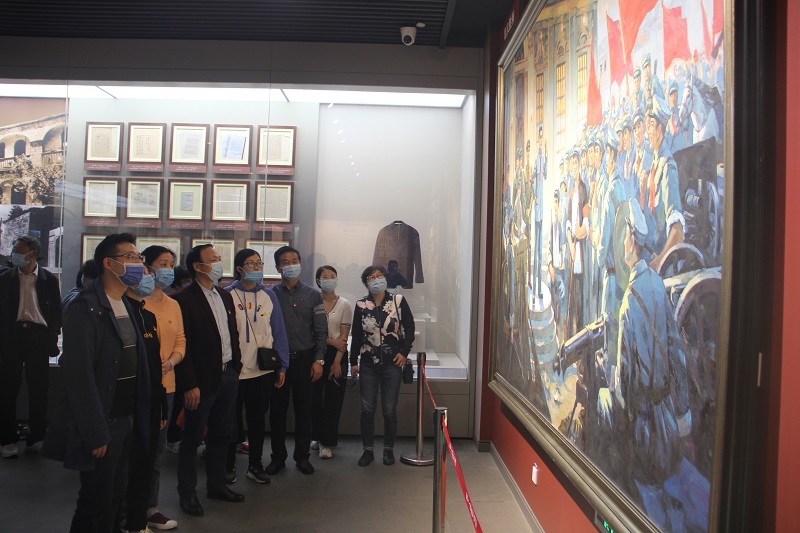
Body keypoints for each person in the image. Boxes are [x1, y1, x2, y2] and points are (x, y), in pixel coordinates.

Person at [41, 233, 151, 533]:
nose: (138, 264)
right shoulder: (85, 307)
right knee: (95, 501)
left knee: (116, 495)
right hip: (105, 419)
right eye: (130, 257)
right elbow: (80, 376)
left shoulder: (126, 303)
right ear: (108, 263)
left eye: (138, 257)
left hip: (127, 417)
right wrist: (95, 431)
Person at [614, 199, 693, 530]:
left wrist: (623, 409)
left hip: (646, 428)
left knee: (648, 502)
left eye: (624, 237)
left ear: (632, 240)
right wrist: (682, 410)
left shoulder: (629, 303)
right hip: (668, 423)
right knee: (672, 492)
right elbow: (676, 353)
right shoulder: (659, 286)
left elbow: (624, 380)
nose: (622, 243)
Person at [172, 244, 244, 517]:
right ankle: (187, 494)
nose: (218, 262)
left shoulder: (224, 295)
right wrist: (189, 384)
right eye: (213, 259)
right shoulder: (184, 299)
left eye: (218, 258)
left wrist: (236, 366)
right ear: (197, 266)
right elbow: (184, 345)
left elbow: (231, 333)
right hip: (200, 382)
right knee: (192, 438)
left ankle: (216, 485)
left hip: (228, 374)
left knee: (221, 434)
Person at [224, 248, 289, 485]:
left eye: (259, 263)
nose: (256, 268)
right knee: (230, 421)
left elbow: (278, 332)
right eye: (250, 264)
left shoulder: (268, 296)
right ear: (239, 268)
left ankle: (255, 464)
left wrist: (282, 366)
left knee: (257, 419)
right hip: (234, 370)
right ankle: (228, 464)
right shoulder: (227, 295)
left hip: (262, 369)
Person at [0, 236, 62, 458]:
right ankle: (7, 440)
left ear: (33, 253)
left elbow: (56, 311)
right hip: (11, 335)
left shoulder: (48, 279)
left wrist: (52, 334)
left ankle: (36, 438)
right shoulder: (5, 278)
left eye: (20, 250)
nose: (15, 254)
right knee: (8, 388)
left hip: (37, 335)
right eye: (15, 250)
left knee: (39, 388)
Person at [268, 246, 327, 476]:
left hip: (305, 360)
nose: (291, 265)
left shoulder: (313, 295)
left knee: (304, 411)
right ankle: (277, 458)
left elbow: (321, 331)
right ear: (278, 267)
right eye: (285, 262)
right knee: (277, 413)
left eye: (294, 260)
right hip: (279, 363)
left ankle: (302, 457)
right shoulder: (270, 295)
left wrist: (319, 360)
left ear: (300, 264)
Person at [350, 265, 415, 467]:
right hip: (368, 364)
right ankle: (368, 450)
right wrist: (353, 362)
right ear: (366, 283)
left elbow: (410, 327)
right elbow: (357, 335)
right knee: (367, 409)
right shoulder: (361, 305)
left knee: (389, 409)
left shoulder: (398, 301)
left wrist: (404, 352)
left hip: (392, 363)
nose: (377, 279)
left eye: (380, 276)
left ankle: (388, 449)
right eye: (372, 277)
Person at [141, 245, 185, 531]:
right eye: (162, 263)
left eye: (171, 264)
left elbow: (180, 340)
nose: (167, 269)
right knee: (135, 450)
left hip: (166, 385)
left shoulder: (173, 304)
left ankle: (149, 507)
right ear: (147, 267)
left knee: (156, 452)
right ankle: (126, 507)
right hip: (138, 386)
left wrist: (171, 361)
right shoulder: (134, 301)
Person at [121, 268, 169, 533]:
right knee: (126, 469)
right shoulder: (120, 312)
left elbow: (154, 363)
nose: (148, 277)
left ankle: (137, 522)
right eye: (143, 272)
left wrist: (161, 403)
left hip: (151, 400)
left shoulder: (147, 315)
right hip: (128, 403)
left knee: (144, 465)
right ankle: (125, 520)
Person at [310, 265, 352, 459]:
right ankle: (316, 436)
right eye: (325, 277)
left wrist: (336, 362)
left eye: (332, 276)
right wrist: (329, 341)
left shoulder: (344, 304)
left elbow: (343, 338)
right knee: (314, 399)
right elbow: (309, 332)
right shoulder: (313, 301)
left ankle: (327, 442)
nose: (329, 280)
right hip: (315, 354)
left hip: (337, 356)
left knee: (333, 401)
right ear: (318, 281)